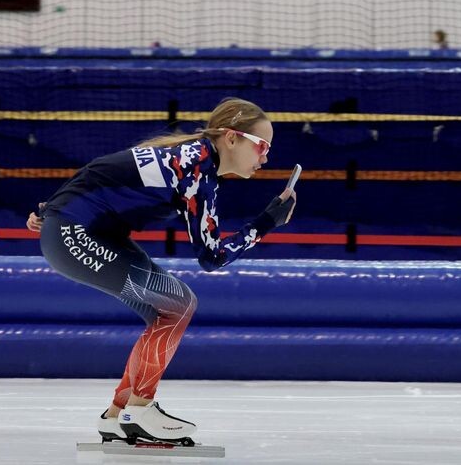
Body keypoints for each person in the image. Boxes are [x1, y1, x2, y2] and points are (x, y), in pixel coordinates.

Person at [26, 98, 296, 444]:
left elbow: (107, 169)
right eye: (262, 146)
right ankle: (138, 410)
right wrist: (267, 222)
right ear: (232, 138)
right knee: (178, 304)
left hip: (88, 231)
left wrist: (53, 206)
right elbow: (211, 257)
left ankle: (119, 414)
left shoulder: (195, 160)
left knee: (171, 307)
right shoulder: (196, 168)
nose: (265, 158)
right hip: (73, 233)